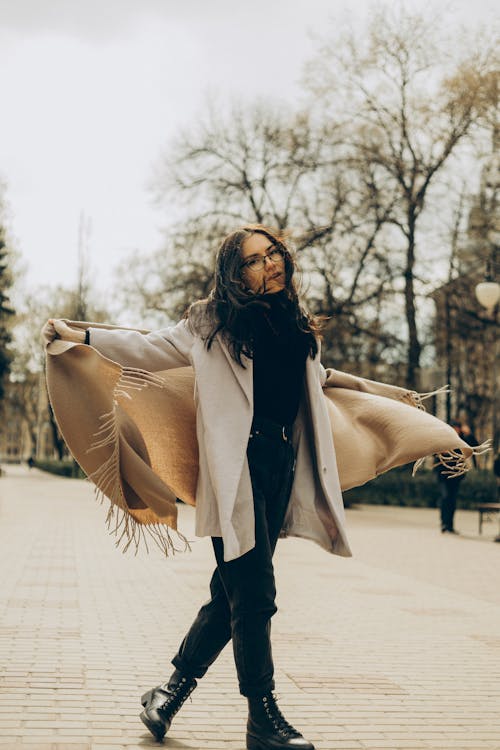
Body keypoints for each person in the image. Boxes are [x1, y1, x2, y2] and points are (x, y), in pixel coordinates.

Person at [44, 225, 339, 750]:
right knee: (256, 596)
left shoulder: (299, 331)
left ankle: (168, 693)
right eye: (253, 260)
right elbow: (147, 346)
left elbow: (320, 386)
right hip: (236, 470)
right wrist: (83, 336)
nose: (269, 264)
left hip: (277, 468)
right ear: (234, 273)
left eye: (273, 254)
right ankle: (262, 720)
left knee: (232, 593)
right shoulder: (213, 324)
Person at [434, 419, 478, 534]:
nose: (456, 431)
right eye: (454, 428)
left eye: (457, 429)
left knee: (452, 499)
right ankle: (444, 524)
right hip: (443, 474)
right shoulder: (443, 438)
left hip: (457, 475)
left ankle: (450, 525)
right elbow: (432, 450)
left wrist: (469, 434)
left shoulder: (462, 439)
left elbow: (474, 447)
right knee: (445, 497)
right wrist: (440, 453)